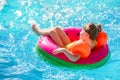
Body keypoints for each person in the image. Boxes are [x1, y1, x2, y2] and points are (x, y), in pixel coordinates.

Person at [32, 22, 102, 62]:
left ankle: (38, 32)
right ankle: (40, 31)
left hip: (67, 48)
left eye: (82, 32)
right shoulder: (92, 41)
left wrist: (64, 50)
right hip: (70, 44)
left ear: (87, 35)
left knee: (52, 32)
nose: (80, 32)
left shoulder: (83, 46)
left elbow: (75, 59)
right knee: (57, 28)